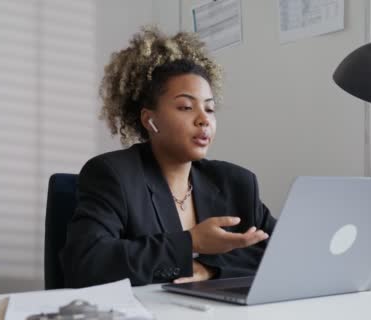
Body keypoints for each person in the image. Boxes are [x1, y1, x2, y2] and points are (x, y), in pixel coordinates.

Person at [61, 26, 276, 288]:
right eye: (186, 107)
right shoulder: (113, 175)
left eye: (209, 108)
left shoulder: (236, 182)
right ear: (150, 120)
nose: (203, 119)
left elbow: (280, 254)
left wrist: (208, 269)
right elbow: (86, 264)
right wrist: (191, 243)